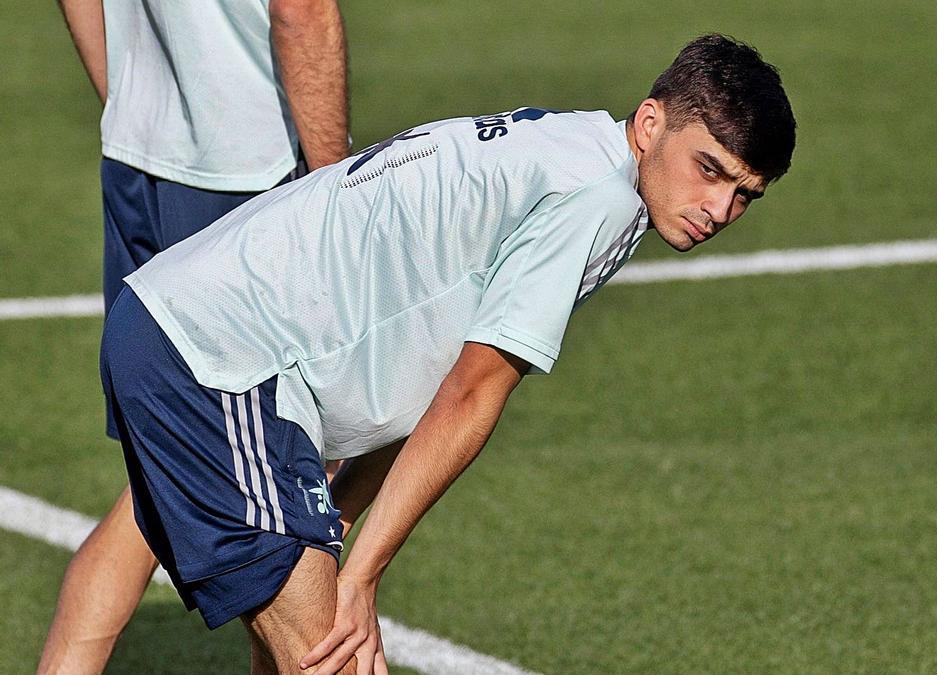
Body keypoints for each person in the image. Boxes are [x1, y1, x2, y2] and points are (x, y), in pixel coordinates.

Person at [97, 34, 794, 673]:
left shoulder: (577, 146)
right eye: (710, 169)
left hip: (206, 344)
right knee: (332, 658)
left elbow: (430, 379)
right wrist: (361, 573)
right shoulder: (599, 198)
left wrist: (338, 522)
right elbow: (469, 393)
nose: (719, 208)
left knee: (294, 657)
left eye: (744, 195)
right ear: (650, 124)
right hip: (220, 358)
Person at [42, 1, 349, 672]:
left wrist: (126, 101)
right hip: (246, 175)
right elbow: (304, 11)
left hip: (138, 160)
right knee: (278, 499)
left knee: (161, 485)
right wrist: (336, 196)